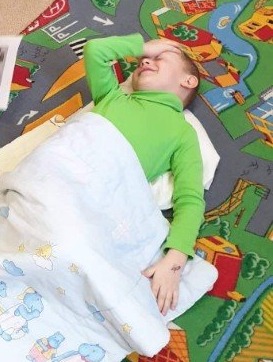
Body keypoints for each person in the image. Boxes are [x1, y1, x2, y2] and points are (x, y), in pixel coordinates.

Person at [84, 34, 203, 316]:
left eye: (160, 58)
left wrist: (175, 261)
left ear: (188, 81)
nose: (145, 61)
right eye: (142, 60)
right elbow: (95, 49)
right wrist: (143, 47)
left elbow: (190, 200)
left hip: (94, 195)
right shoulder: (112, 97)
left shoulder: (183, 133)